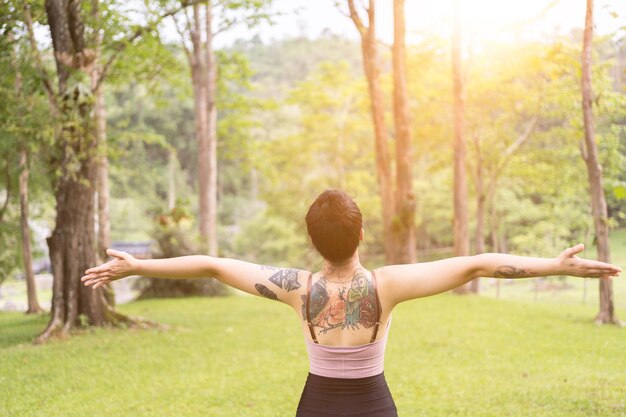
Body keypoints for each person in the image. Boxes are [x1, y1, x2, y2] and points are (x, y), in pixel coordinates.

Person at [81, 189, 621, 417]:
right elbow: (479, 263)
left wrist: (138, 264)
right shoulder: (387, 286)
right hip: (374, 407)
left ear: (313, 241)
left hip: (315, 406)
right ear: (360, 235)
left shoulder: (296, 287)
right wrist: (554, 265)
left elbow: (213, 264)